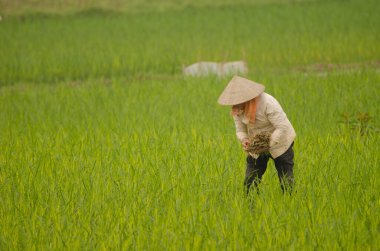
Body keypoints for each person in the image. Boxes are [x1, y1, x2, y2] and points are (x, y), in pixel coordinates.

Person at [218, 76, 296, 194]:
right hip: (257, 145)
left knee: (286, 181)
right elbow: (240, 130)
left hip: (281, 143)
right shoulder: (237, 109)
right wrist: (244, 139)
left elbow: (282, 126)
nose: (235, 105)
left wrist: (268, 143)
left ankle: (291, 203)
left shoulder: (268, 103)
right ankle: (251, 207)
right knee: (250, 181)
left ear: (246, 98)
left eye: (237, 101)